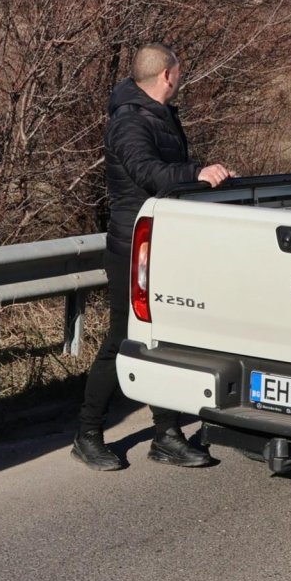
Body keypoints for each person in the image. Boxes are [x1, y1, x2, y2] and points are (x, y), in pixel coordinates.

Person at [73, 45, 232, 471]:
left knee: (166, 340)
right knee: (122, 339)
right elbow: (149, 173)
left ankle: (166, 435)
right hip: (132, 249)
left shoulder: (163, 115)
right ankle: (87, 434)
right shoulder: (128, 121)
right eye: (179, 71)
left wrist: (208, 183)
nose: (181, 77)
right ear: (166, 75)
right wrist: (195, 173)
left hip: (165, 243)